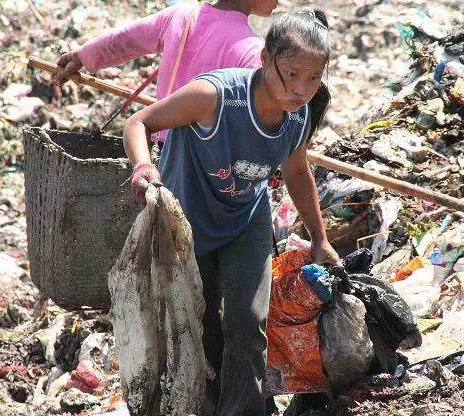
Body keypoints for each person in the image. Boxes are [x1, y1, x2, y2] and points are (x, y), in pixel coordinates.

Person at [124, 9, 340, 416]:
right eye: (291, 74)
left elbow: (297, 170)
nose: (300, 89)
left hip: (246, 220)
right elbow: (139, 123)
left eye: (313, 79)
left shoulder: (298, 116)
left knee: (247, 320)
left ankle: (244, 411)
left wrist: (321, 238)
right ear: (265, 58)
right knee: (202, 324)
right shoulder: (215, 97)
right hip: (187, 224)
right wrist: (143, 167)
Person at [54, 0, 277, 141]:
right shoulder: (251, 50)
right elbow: (252, 124)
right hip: (204, 166)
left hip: (157, 147)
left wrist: (81, 57)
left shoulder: (181, 16)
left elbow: (124, 40)